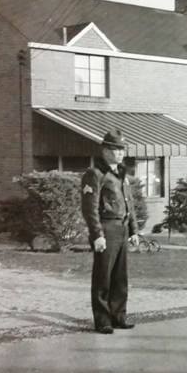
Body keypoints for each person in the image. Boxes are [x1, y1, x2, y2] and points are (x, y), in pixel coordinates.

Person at [81, 129, 140, 334]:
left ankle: (118, 317)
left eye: (122, 149)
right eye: (116, 149)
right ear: (105, 150)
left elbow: (129, 203)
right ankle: (103, 320)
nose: (121, 153)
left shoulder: (122, 174)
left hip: (122, 228)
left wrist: (134, 230)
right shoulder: (95, 174)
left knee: (120, 278)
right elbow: (89, 208)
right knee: (103, 278)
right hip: (106, 228)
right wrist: (97, 235)